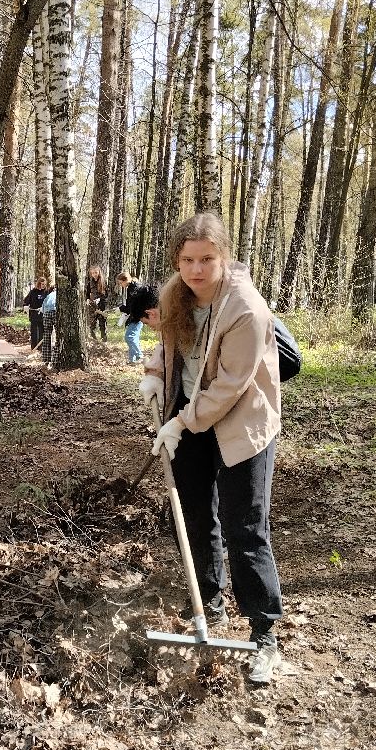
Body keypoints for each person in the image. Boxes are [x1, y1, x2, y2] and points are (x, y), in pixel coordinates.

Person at [144, 212, 283, 685]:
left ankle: (265, 635)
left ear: (224, 257)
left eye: (207, 259)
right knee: (196, 513)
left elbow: (229, 387)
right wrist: (153, 374)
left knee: (245, 525)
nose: (197, 270)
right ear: (177, 260)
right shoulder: (175, 295)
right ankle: (210, 603)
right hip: (188, 417)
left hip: (241, 422)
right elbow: (169, 345)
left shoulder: (246, 309)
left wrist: (181, 422)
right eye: (187, 259)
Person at [116, 272, 145, 363]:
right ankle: (132, 360)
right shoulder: (131, 287)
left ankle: (139, 355)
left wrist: (121, 308)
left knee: (129, 337)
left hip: (138, 316)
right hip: (135, 316)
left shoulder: (134, 288)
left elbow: (131, 306)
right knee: (134, 337)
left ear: (126, 280)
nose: (121, 285)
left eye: (121, 283)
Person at [23, 276, 49, 350]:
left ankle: (41, 348)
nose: (44, 286)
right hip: (34, 314)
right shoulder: (33, 292)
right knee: (34, 332)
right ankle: (34, 347)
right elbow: (26, 301)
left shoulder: (46, 292)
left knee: (42, 332)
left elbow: (49, 302)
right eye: (42, 284)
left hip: (43, 314)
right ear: (39, 284)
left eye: (45, 284)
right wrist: (25, 306)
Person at [84, 266, 108, 341]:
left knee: (102, 323)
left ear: (99, 272)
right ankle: (94, 340)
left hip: (101, 305)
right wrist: (87, 299)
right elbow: (87, 294)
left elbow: (107, 294)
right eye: (92, 273)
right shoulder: (89, 283)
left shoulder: (103, 282)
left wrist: (100, 299)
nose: (94, 274)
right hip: (92, 306)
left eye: (96, 272)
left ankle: (104, 340)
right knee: (92, 324)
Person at [40, 286, 57, 368]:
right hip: (55, 312)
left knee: (47, 336)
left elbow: (42, 310)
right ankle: (55, 360)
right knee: (57, 336)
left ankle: (46, 360)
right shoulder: (59, 295)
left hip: (46, 314)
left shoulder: (48, 296)